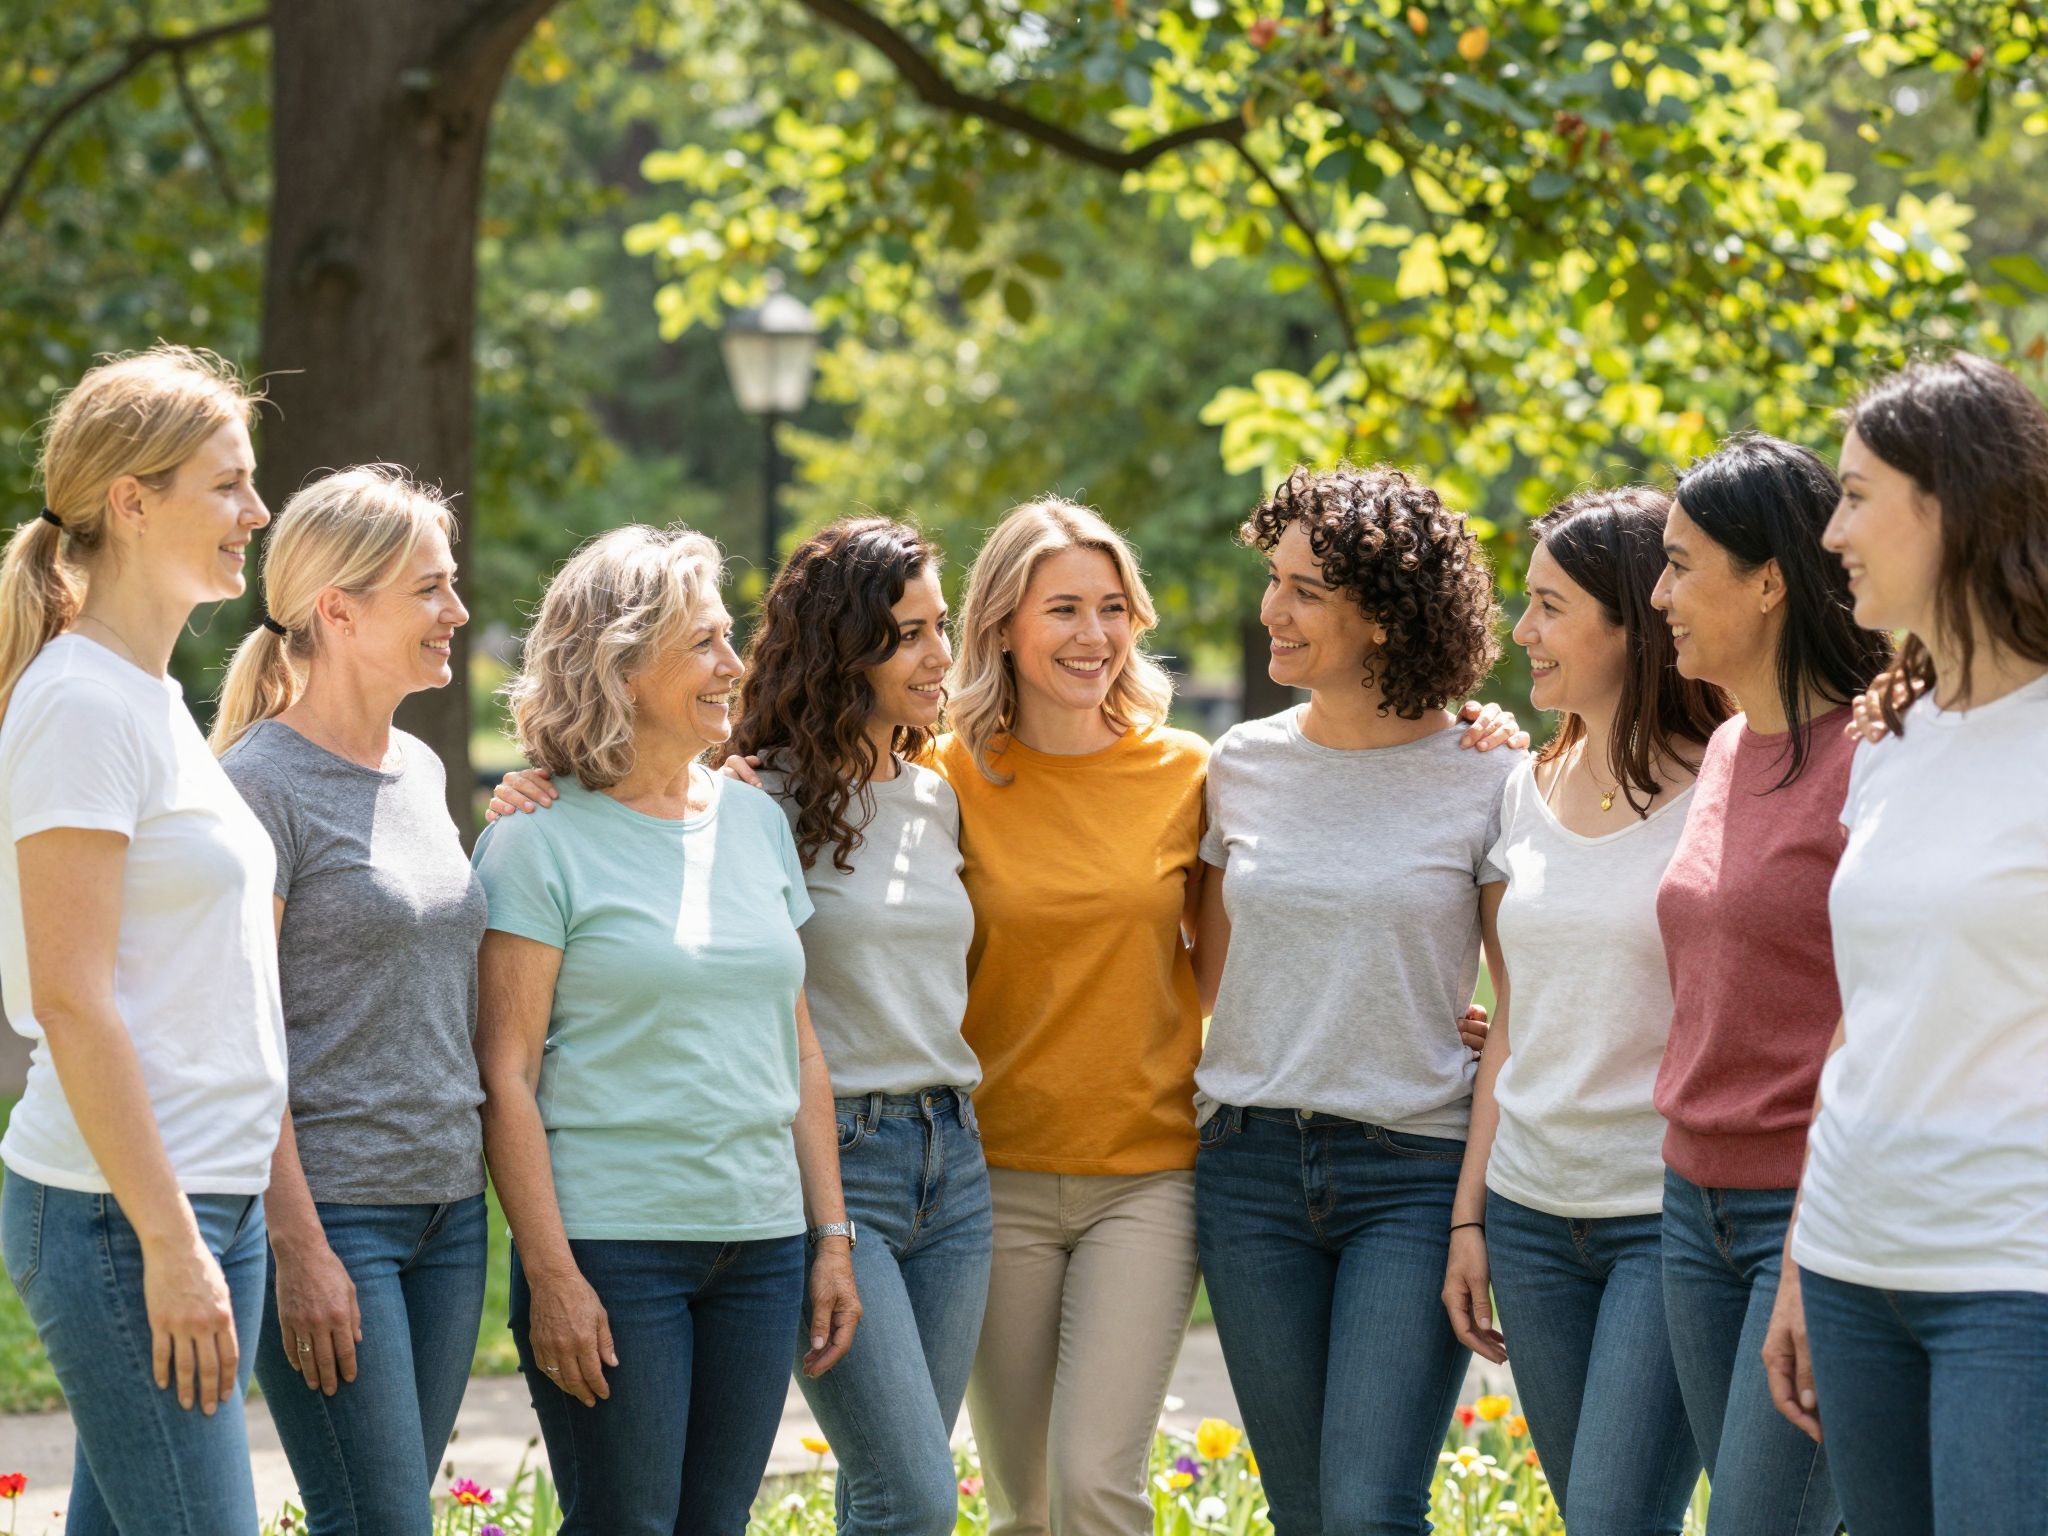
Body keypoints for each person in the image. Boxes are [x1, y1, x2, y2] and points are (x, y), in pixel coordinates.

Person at [471, 524, 861, 1536]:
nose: (735, 666)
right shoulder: (533, 840)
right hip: (613, 1249)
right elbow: (503, 1076)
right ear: (620, 663)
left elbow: (800, 1051)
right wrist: (552, 1275)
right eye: (704, 643)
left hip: (762, 1245)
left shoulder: (754, 821)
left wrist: (829, 1238)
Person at [1190, 463, 1520, 1535]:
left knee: (1370, 1510)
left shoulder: (1488, 775)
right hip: (1246, 1174)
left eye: (1302, 592)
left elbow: (1521, 996)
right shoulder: (1237, 765)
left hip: (1411, 1177)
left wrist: (1471, 1206)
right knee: (1300, 1514)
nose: (1268, 611)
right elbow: (1210, 975)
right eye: (1271, 579)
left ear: (1379, 619)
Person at [0, 345, 284, 1534]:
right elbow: (69, 1000)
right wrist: (170, 1244)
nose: (256, 514)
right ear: (132, 500)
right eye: (227, 485)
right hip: (127, 1215)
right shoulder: (78, 704)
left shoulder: (151, 699)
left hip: (209, 1200)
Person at [1764, 353, 2048, 1535]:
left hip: (2010, 1273)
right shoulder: (1887, 737)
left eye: (1854, 493)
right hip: (1848, 1255)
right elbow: (1863, 1012)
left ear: (1951, 502)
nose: (1828, 531)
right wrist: (1795, 1259)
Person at [1442, 486, 1727, 1532]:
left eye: (1548, 606)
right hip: (1526, 1216)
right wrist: (1471, 1213)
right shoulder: (1522, 784)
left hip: (1662, 1222)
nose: (1520, 630)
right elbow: (1509, 1021)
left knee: (1613, 1516)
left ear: (1630, 624)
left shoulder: (1723, 787)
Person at [210, 465, 488, 1536]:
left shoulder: (419, 768)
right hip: (335, 1217)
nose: (455, 612)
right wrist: (299, 1244)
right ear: (339, 609)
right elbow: (241, 1031)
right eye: (429, 589)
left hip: (450, 1215)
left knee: (388, 1517)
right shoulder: (258, 787)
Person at [936, 497, 1212, 1536]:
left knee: (1096, 1482)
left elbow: (1250, 957)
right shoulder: (937, 774)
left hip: (1144, 1179)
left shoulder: (1184, 771)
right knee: (1024, 1505)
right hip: (987, 1180)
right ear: (1002, 622)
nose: (1092, 636)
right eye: (1062, 609)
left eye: (1111, 608)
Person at [1648, 434, 1890, 1536]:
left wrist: (1806, 1238)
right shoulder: (1725, 748)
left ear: (1766, 580)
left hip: (1809, 1213)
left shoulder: (1876, 756)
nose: (1657, 595)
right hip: (1687, 1210)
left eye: (1679, 563)